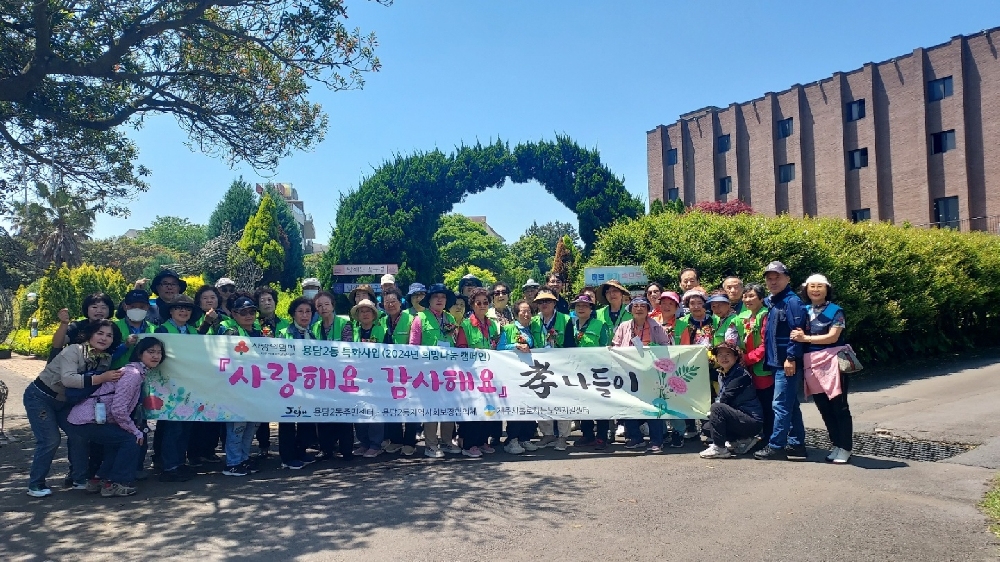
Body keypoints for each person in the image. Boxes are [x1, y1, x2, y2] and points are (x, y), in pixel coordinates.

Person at [23, 320, 122, 497]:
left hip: (67, 403)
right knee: (50, 440)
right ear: (90, 333)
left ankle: (80, 479)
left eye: (109, 335)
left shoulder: (105, 359)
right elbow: (69, 379)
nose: (104, 338)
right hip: (40, 397)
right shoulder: (73, 350)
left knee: (80, 435)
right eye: (100, 333)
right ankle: (36, 484)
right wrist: (101, 378)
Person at [66, 337, 163, 496]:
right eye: (151, 352)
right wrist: (135, 430)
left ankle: (99, 480)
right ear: (140, 354)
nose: (155, 356)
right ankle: (116, 483)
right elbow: (119, 409)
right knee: (132, 439)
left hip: (84, 420)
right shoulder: (133, 374)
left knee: (120, 439)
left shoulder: (135, 371)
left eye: (159, 353)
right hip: (87, 421)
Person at [792, 274, 853, 464]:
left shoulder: (836, 311)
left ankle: (845, 447)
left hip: (832, 361)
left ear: (827, 289)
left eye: (820, 286)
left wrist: (805, 339)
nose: (816, 289)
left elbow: (833, 337)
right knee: (823, 407)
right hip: (811, 362)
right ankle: (836, 444)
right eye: (812, 286)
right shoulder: (803, 310)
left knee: (839, 406)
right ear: (806, 289)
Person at [754, 261, 808, 462]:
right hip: (778, 362)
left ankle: (776, 446)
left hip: (786, 362)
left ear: (787, 278)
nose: (773, 281)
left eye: (777, 277)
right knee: (790, 404)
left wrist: (791, 358)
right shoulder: (774, 301)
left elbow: (797, 332)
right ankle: (796, 445)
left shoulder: (792, 302)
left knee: (780, 405)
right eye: (769, 278)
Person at [612, 296, 672, 452]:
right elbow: (616, 346)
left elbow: (666, 346)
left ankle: (657, 440)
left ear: (647, 310)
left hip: (651, 373)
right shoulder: (624, 326)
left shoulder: (656, 326)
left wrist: (653, 348)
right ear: (631, 309)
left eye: (642, 306)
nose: (639, 309)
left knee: (653, 406)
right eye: (635, 306)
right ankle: (635, 438)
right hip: (628, 372)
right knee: (629, 405)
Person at [408, 284, 461, 458]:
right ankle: (431, 445)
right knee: (431, 409)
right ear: (429, 300)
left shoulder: (450, 319)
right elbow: (413, 347)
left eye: (443, 297)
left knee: (448, 408)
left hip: (448, 372)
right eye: (436, 296)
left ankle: (446, 441)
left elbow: (455, 345)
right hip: (427, 373)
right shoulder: (420, 318)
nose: (440, 299)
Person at [153, 295, 200, 482]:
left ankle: (180, 463)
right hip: (168, 386)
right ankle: (169, 466)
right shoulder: (162, 330)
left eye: (187, 309)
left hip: (189, 385)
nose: (183, 311)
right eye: (179, 308)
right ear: (171, 311)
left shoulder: (194, 332)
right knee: (172, 427)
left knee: (185, 426)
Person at [215, 295, 264, 475]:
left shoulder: (260, 331)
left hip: (257, 387)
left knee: (251, 426)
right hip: (235, 388)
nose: (248, 315)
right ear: (234, 313)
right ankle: (232, 462)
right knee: (237, 426)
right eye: (243, 312)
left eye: (252, 311)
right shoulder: (228, 330)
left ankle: (244, 458)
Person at [310, 291, 355, 462]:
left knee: (343, 413)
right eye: (319, 306)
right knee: (323, 414)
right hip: (322, 377)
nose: (323, 308)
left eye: (326, 304)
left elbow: (347, 347)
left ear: (333, 305)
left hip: (342, 376)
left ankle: (346, 449)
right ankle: (326, 448)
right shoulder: (314, 327)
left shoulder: (344, 323)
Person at [699, 339, 764, 459]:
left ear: (736, 357)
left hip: (750, 420)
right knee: (707, 428)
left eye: (728, 354)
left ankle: (720, 449)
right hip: (738, 417)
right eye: (720, 355)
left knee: (716, 408)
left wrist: (711, 412)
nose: (724, 358)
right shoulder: (723, 372)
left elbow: (725, 398)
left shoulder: (740, 374)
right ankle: (742, 441)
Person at [455, 288, 500, 457]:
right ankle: (469, 444)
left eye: (485, 302)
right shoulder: (465, 325)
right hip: (471, 375)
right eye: (478, 302)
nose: (482, 305)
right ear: (472, 305)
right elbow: (461, 349)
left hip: (489, 375)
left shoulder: (492, 324)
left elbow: (497, 346)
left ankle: (482, 441)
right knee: (473, 409)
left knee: (487, 409)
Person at [275, 296, 319, 469]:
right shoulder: (284, 333)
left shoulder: (313, 334)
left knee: (305, 419)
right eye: (300, 311)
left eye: (308, 311)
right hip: (288, 383)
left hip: (307, 384)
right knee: (287, 420)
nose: (305, 315)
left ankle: (301, 450)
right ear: (293, 314)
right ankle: (287, 457)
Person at [531, 289, 576, 450]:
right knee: (542, 400)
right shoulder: (534, 321)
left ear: (554, 303)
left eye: (548, 301)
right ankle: (547, 434)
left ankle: (563, 436)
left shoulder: (565, 319)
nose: (544, 304)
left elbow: (571, 344)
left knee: (563, 401)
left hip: (561, 366)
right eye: (541, 302)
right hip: (540, 367)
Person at [497, 300, 541, 455]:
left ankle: (525, 437)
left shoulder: (533, 329)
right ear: (516, 313)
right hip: (513, 375)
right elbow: (499, 347)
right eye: (523, 311)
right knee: (516, 407)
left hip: (530, 375)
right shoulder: (509, 328)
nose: (526, 314)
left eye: (529, 311)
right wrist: (515, 346)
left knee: (529, 406)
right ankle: (512, 440)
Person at [570, 294, 613, 450]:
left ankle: (602, 437)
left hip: (597, 371)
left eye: (585, 305)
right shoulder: (571, 325)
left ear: (591, 309)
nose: (581, 308)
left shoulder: (600, 325)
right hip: (576, 371)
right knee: (582, 404)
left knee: (600, 404)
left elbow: (606, 347)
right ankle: (587, 434)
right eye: (578, 306)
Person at [738, 284, 774, 443]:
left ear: (761, 298)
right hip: (751, 367)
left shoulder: (764, 315)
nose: (747, 299)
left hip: (762, 368)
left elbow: (766, 345)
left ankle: (770, 439)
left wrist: (746, 359)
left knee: (767, 405)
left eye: (752, 296)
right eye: (745, 296)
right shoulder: (748, 316)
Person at [380, 288, 412, 454]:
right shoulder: (382, 321)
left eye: (394, 301)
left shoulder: (411, 319)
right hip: (389, 371)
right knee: (392, 405)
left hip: (410, 370)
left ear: (401, 303)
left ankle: (410, 441)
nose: (390, 304)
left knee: (412, 405)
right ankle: (396, 440)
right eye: (387, 302)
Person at [49, 292, 116, 361]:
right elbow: (57, 344)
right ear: (86, 309)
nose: (99, 311)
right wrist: (64, 323)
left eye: (103, 307)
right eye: (94, 307)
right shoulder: (77, 327)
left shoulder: (113, 328)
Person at [110, 290, 153, 369]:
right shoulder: (113, 327)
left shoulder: (154, 330)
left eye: (142, 307)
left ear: (148, 307)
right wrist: (125, 345)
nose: (137, 309)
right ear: (125, 306)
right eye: (132, 306)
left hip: (147, 376)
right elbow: (105, 357)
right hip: (117, 375)